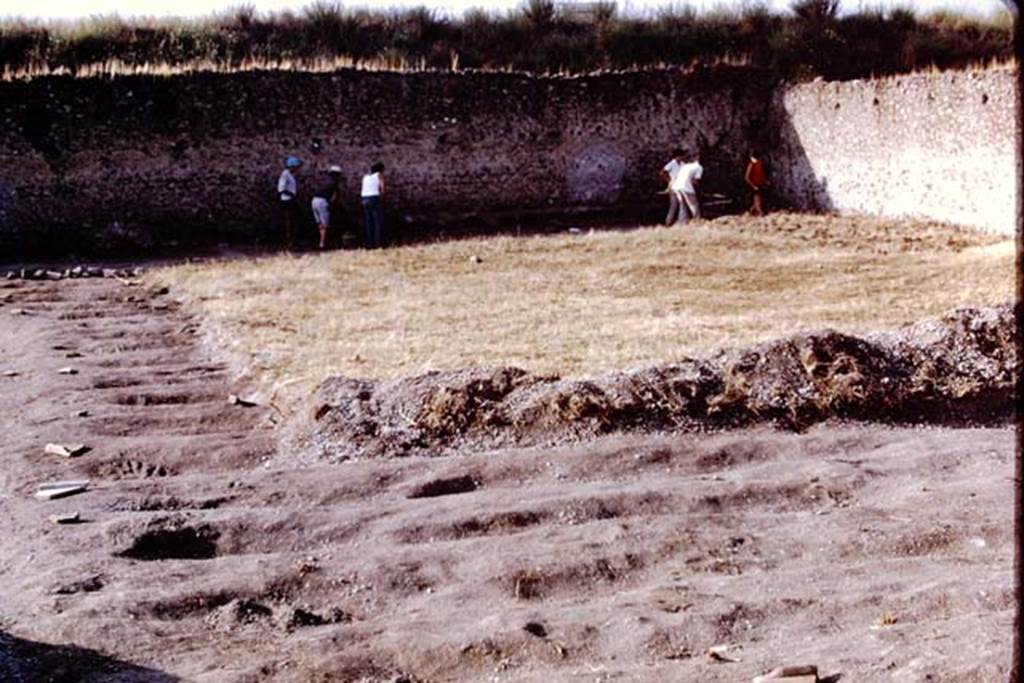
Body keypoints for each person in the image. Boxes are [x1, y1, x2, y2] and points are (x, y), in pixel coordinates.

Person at [312, 165, 343, 250]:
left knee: (319, 224)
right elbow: (335, 197)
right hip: (322, 201)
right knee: (325, 224)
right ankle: (322, 244)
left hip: (314, 200)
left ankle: (320, 242)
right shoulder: (334, 183)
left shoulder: (324, 180)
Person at [671, 150, 703, 224]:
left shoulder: (685, 166)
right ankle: (698, 221)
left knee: (682, 205)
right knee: (693, 205)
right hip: (686, 187)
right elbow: (695, 181)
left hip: (676, 187)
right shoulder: (699, 167)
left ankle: (682, 222)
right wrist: (699, 190)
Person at [277, 156, 302, 249]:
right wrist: (291, 195)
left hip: (291, 199)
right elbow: (281, 189)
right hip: (287, 200)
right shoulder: (285, 174)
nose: (297, 169)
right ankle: (289, 242)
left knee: (294, 221)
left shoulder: (291, 175)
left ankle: (293, 241)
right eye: (296, 167)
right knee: (289, 221)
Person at [360, 162, 386, 249]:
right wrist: (382, 198)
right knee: (377, 222)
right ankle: (378, 244)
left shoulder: (365, 177)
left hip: (364, 199)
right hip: (374, 198)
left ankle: (369, 244)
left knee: (368, 222)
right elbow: (382, 189)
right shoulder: (379, 175)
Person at [659, 147, 686, 226]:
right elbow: (662, 172)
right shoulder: (672, 163)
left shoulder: (682, 164)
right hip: (673, 184)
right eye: (680, 156)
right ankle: (668, 221)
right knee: (674, 204)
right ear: (676, 156)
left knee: (682, 203)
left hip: (681, 184)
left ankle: (681, 221)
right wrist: (669, 180)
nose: (682, 157)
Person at [744, 150, 767, 216]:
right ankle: (760, 212)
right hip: (754, 184)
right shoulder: (752, 165)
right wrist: (753, 186)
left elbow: (761, 175)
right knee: (757, 198)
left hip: (759, 184)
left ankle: (751, 212)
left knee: (758, 198)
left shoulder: (759, 164)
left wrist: (765, 181)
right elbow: (747, 177)